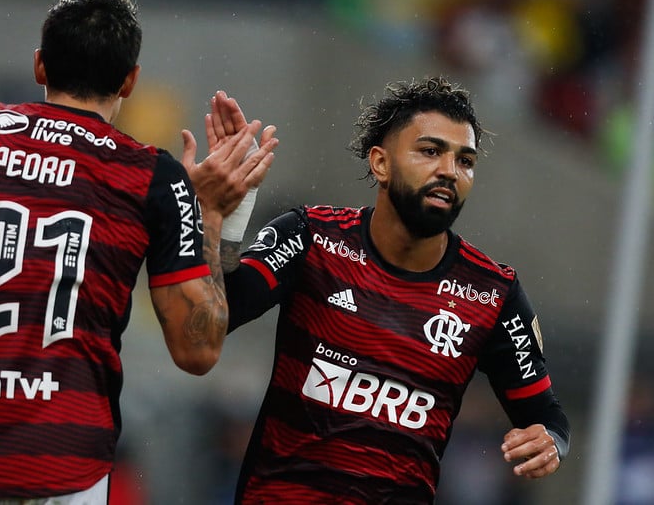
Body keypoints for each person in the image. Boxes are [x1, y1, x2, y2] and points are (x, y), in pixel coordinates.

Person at [0, 0, 276, 504]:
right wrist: (211, 216)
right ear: (130, 81)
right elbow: (199, 349)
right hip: (66, 473)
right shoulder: (151, 176)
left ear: (40, 66)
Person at [196, 77, 570, 504]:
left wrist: (551, 442)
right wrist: (228, 215)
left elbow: (546, 417)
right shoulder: (311, 237)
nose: (450, 170)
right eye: (430, 151)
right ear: (381, 163)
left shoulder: (492, 295)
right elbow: (212, 320)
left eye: (465, 160)